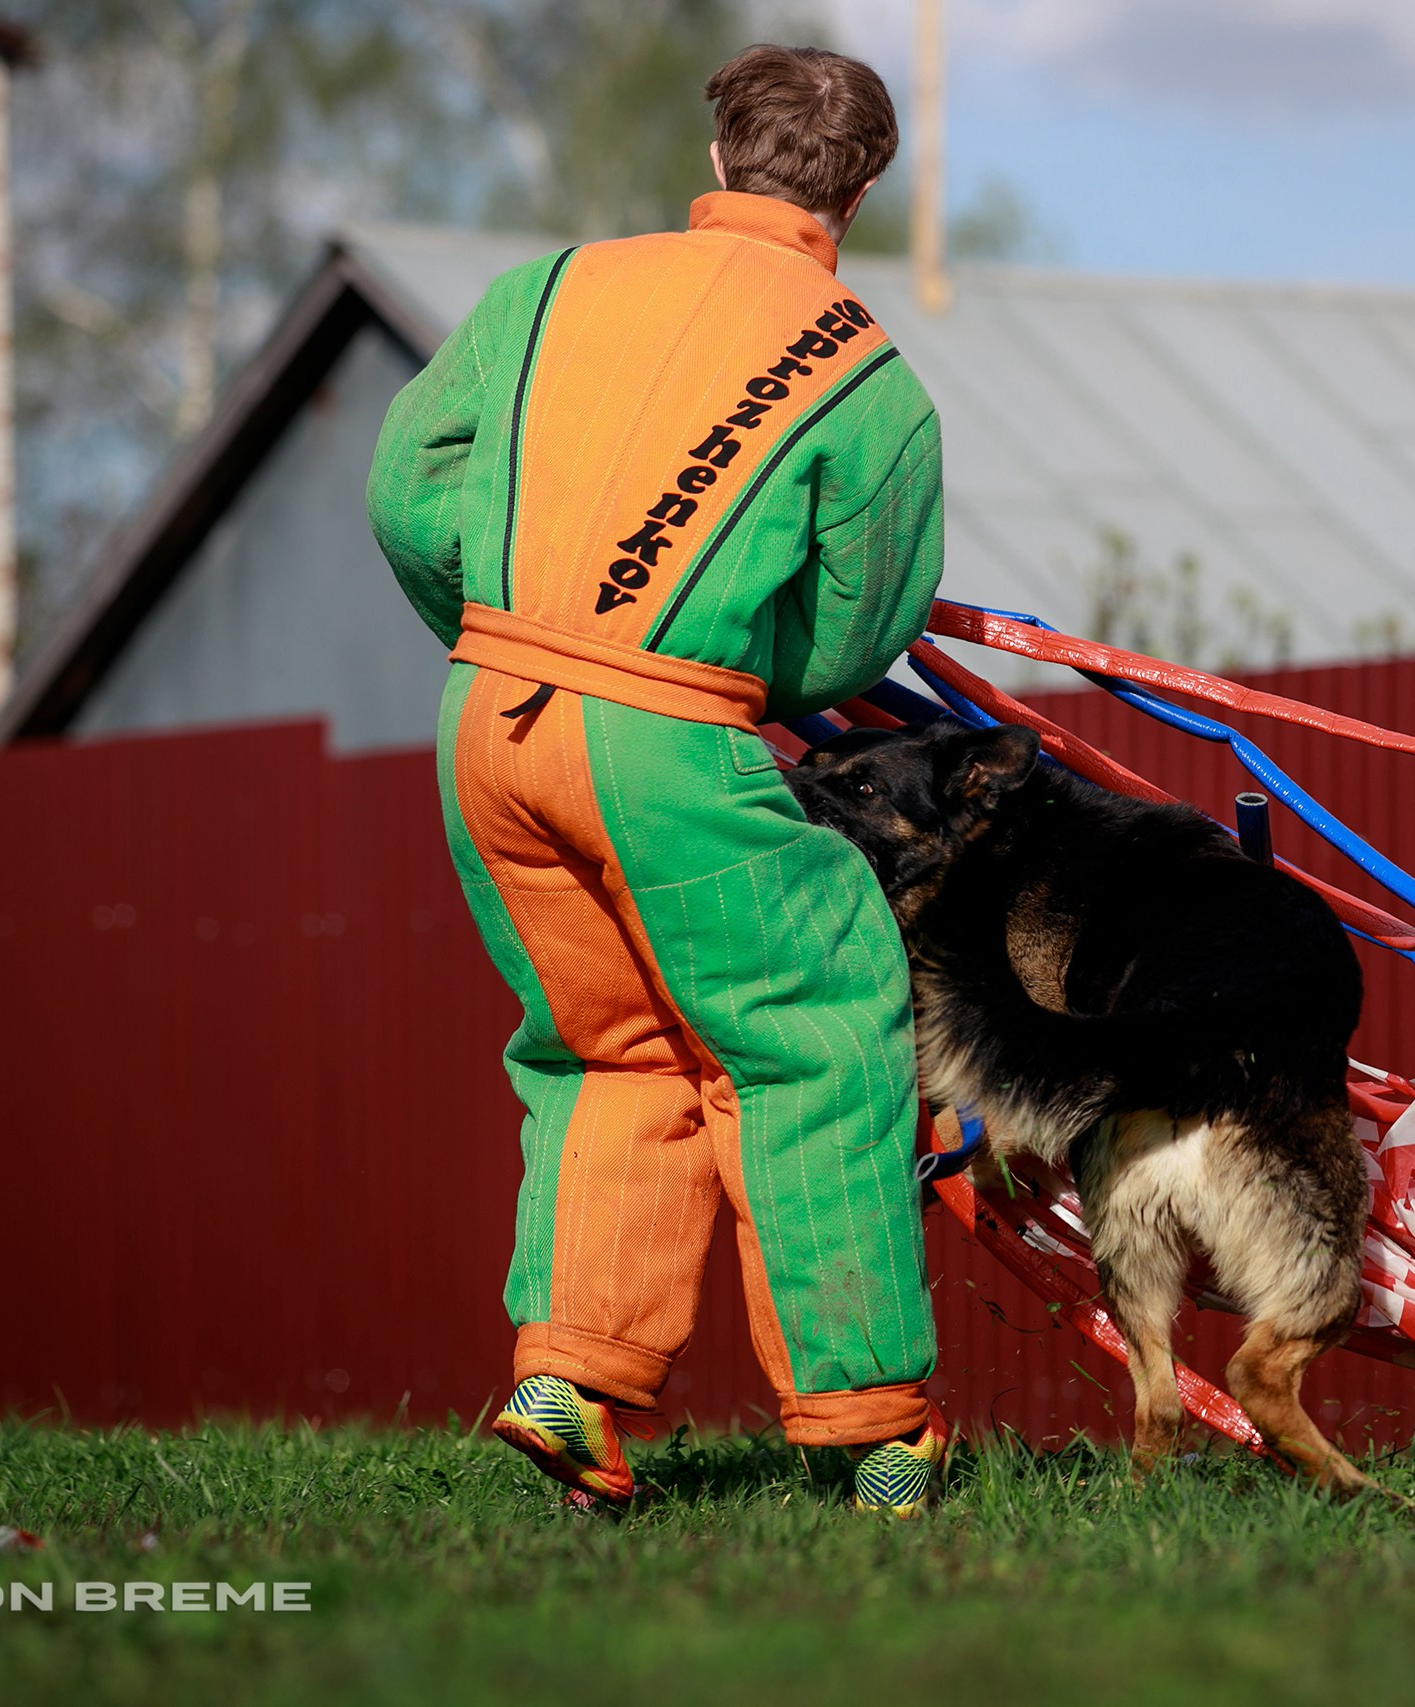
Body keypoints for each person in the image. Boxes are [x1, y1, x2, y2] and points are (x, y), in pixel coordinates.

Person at [366, 43, 947, 1516]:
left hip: (487, 720)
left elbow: (403, 485)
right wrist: (716, 663)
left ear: (720, 164)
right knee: (813, 1030)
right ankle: (871, 1427)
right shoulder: (865, 374)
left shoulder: (543, 293)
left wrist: (508, 618)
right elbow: (855, 635)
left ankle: (572, 1384)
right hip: (669, 736)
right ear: (862, 189)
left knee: (604, 1048)